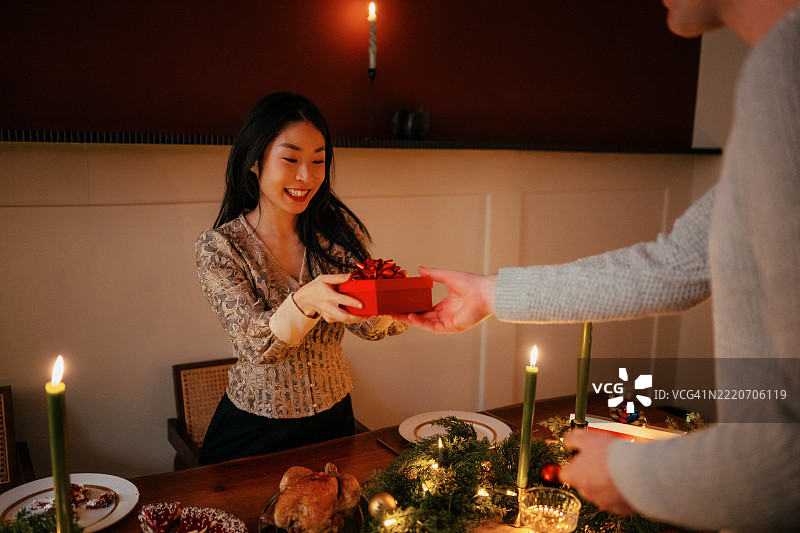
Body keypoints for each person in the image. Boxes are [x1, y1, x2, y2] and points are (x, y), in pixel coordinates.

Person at [395, 1, 800, 531]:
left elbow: (783, 459)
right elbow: (675, 264)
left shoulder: (785, 72)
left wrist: (628, 473)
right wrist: (490, 293)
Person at [195, 92, 406, 465]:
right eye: (290, 159)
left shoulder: (336, 232)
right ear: (254, 161)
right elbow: (254, 345)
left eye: (318, 161)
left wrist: (398, 303)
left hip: (335, 419)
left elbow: (368, 326)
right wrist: (307, 299)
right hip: (254, 428)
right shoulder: (221, 247)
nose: (307, 177)